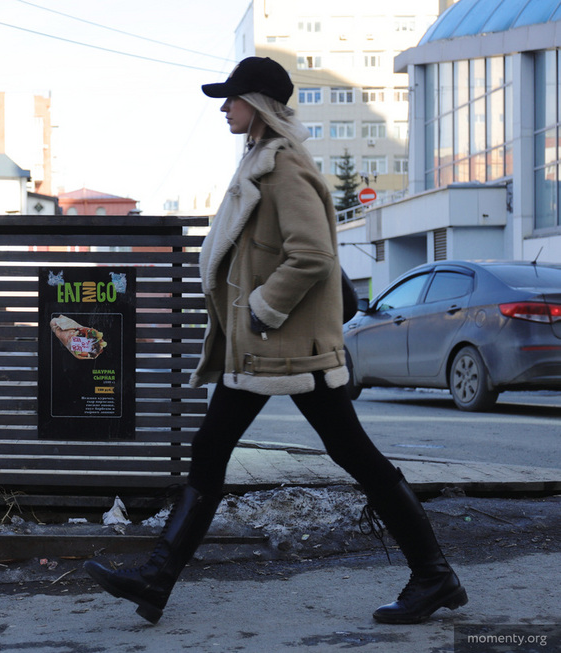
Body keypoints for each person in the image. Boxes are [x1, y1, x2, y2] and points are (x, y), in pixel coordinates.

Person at [84, 57, 467, 626]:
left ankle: (433, 575)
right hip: (269, 349)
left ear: (258, 103)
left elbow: (311, 253)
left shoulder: (283, 167)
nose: (223, 108)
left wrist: (264, 309)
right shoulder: (261, 163)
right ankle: (157, 579)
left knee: (341, 455)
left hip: (287, 348)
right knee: (230, 452)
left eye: (231, 98)